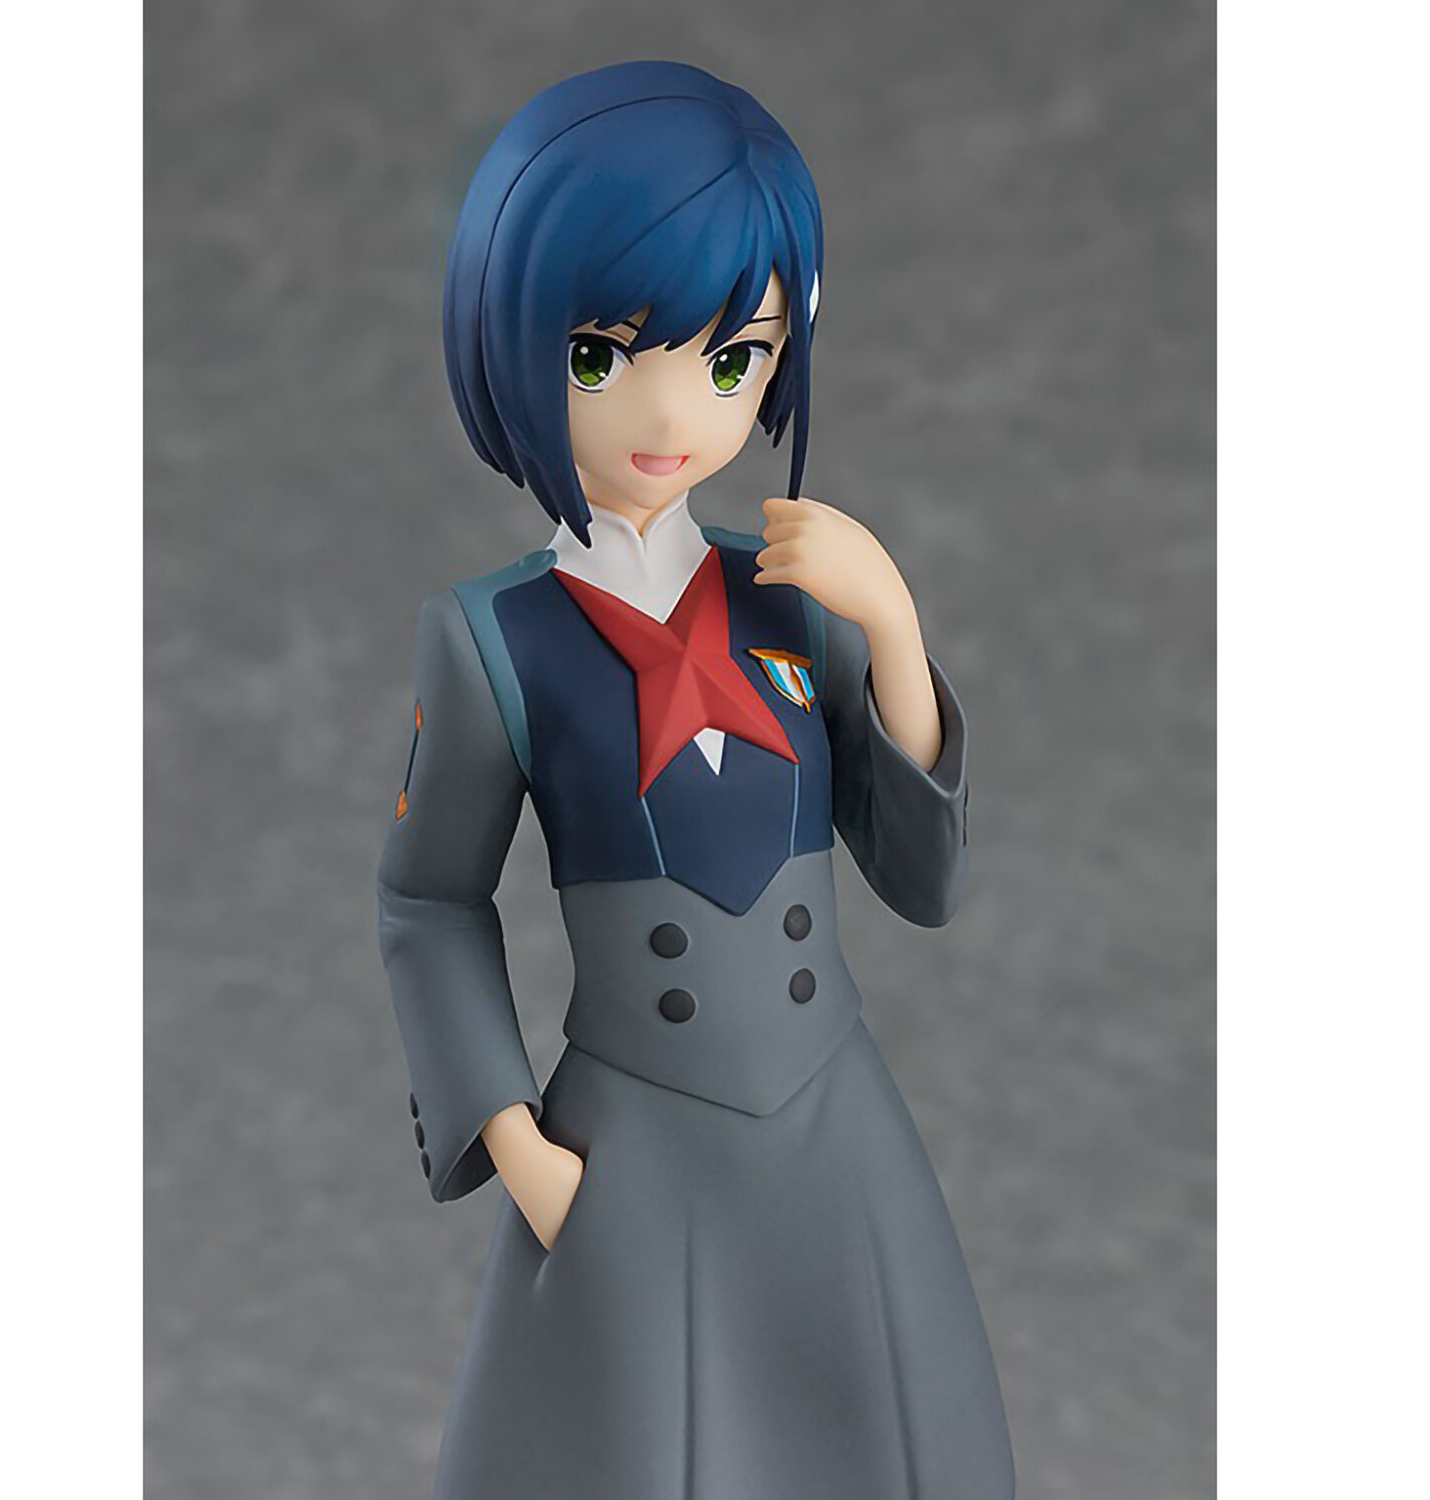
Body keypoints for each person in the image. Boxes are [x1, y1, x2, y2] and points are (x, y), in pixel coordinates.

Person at [378, 60, 1015, 1499]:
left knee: (886, 1445)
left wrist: (893, 627)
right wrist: (517, 1143)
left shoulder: (795, 595)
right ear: (510, 337)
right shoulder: (495, 638)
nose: (672, 412)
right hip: (636, 1141)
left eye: (732, 361)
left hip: (832, 1122)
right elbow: (427, 902)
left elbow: (923, 883)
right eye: (602, 355)